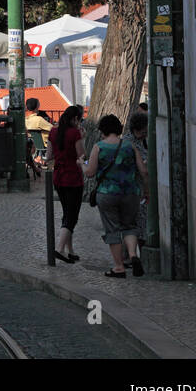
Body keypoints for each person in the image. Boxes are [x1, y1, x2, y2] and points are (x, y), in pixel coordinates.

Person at [84, 113, 149, 278]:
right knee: (130, 226)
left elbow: (90, 173)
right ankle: (133, 256)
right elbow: (143, 171)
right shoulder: (130, 146)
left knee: (112, 229)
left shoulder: (99, 147)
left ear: (103, 130)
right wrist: (146, 191)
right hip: (131, 193)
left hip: (107, 194)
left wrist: (80, 165)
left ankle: (119, 267)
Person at [46, 104, 86, 263]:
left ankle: (70, 250)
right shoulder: (75, 133)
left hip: (58, 177)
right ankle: (60, 249)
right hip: (73, 178)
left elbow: (48, 156)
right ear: (76, 118)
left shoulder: (53, 131)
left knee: (67, 212)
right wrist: (82, 137)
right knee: (72, 216)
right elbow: (82, 156)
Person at [127, 110, 150, 255]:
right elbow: (142, 169)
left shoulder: (143, 141)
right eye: (143, 131)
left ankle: (133, 256)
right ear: (135, 130)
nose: (145, 134)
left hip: (139, 188)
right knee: (135, 224)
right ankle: (131, 256)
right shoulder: (129, 143)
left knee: (141, 224)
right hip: (134, 189)